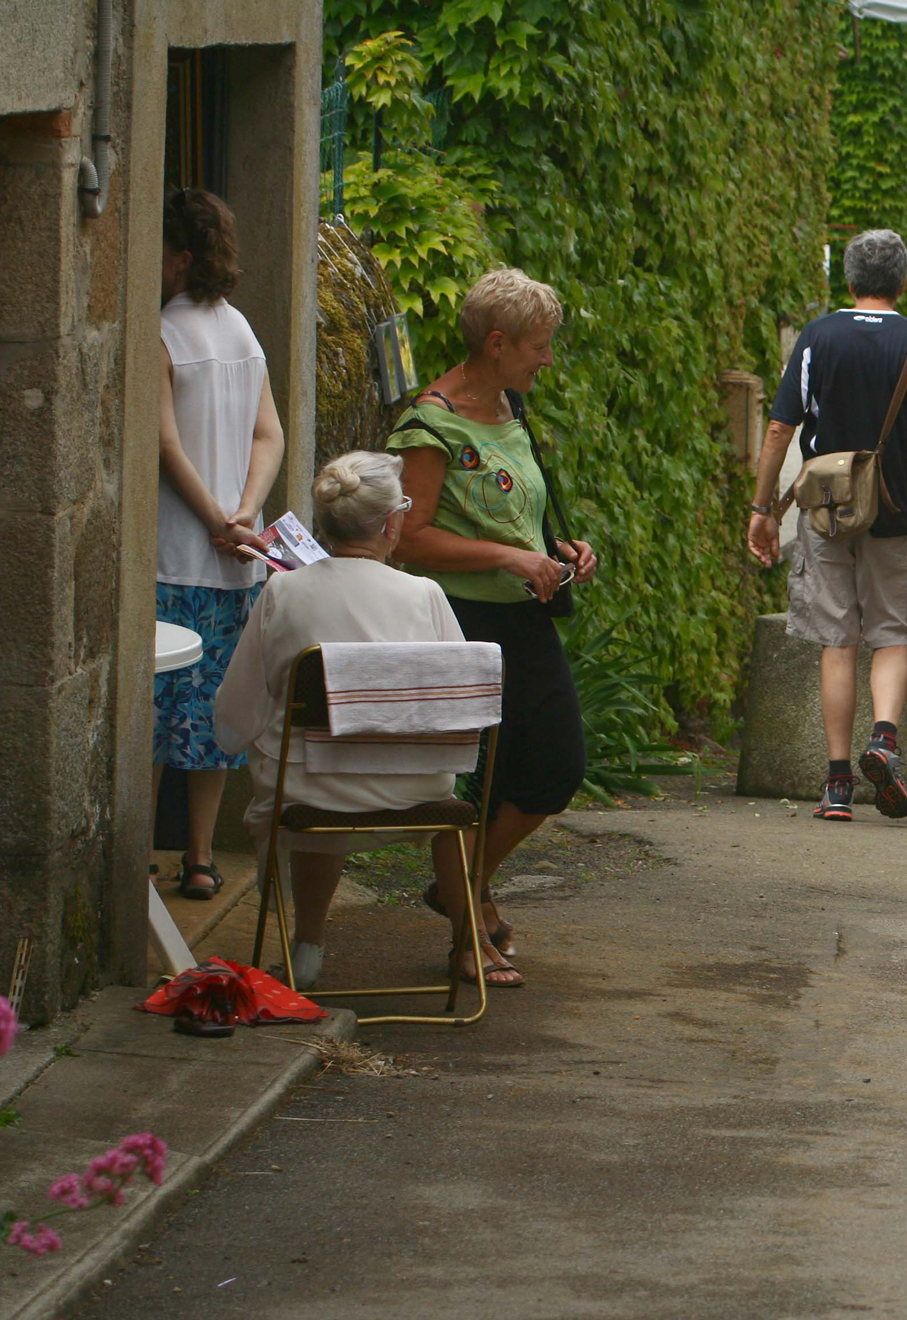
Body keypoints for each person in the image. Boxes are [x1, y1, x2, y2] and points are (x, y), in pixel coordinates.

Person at [213, 453, 498, 988]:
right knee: (337, 760)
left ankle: (307, 947)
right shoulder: (425, 595)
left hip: (307, 794)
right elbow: (463, 708)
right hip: (418, 794)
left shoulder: (283, 592)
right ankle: (469, 945)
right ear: (391, 524)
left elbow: (234, 717)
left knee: (311, 762)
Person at [389, 269, 597, 975]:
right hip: (457, 621)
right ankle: (466, 933)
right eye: (538, 346)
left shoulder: (512, 407)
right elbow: (407, 537)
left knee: (555, 768)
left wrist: (558, 552)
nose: (547, 359)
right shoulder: (429, 423)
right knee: (468, 783)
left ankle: (465, 889)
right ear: (498, 343)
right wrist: (510, 555)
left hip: (524, 620)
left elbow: (520, 512)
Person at [748, 229, 907, 824]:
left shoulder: (818, 336)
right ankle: (885, 741)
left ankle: (838, 785)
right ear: (900, 282)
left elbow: (778, 430)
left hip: (824, 512)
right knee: (894, 634)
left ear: (847, 281)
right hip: (895, 514)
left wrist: (762, 509)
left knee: (837, 642)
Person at [154, 186, 285, 901]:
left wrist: (213, 519)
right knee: (209, 717)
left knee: (152, 710)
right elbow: (271, 433)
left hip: (176, 554)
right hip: (239, 567)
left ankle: (137, 853)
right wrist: (246, 512)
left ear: (179, 258)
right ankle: (201, 859)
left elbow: (165, 444)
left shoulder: (164, 335)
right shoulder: (242, 331)